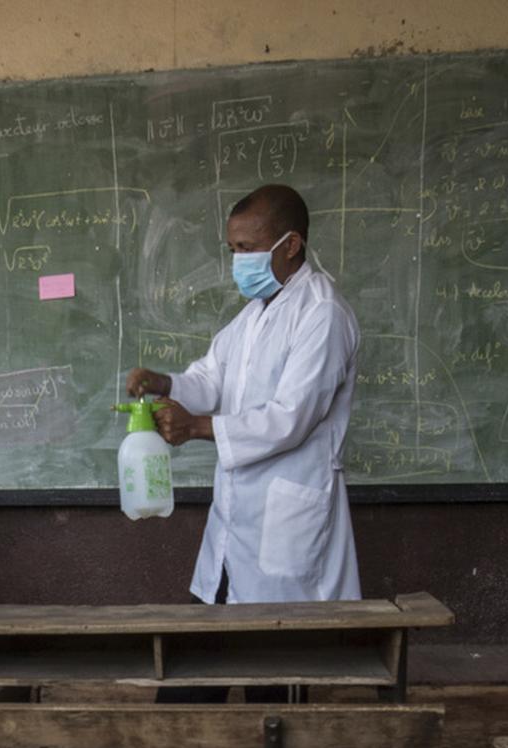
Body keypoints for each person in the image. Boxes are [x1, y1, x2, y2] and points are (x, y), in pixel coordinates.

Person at [125, 184, 361, 704]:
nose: (238, 261)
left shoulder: (321, 313)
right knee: (190, 674)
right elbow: (211, 379)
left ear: (291, 244)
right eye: (232, 249)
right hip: (235, 523)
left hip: (286, 520)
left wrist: (198, 428)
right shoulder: (253, 315)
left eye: (248, 248)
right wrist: (166, 383)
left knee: (272, 680)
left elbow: (292, 418)